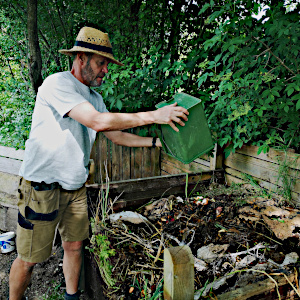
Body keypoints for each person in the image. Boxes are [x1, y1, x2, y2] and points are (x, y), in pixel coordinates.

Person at [8, 26, 189, 300]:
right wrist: (154, 115)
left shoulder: (95, 98)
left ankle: (72, 297)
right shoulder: (58, 84)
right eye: (101, 63)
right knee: (30, 258)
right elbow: (97, 121)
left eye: (107, 64)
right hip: (40, 188)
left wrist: (155, 143)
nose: (106, 70)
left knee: (74, 246)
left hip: (75, 187)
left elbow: (114, 134)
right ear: (81, 57)